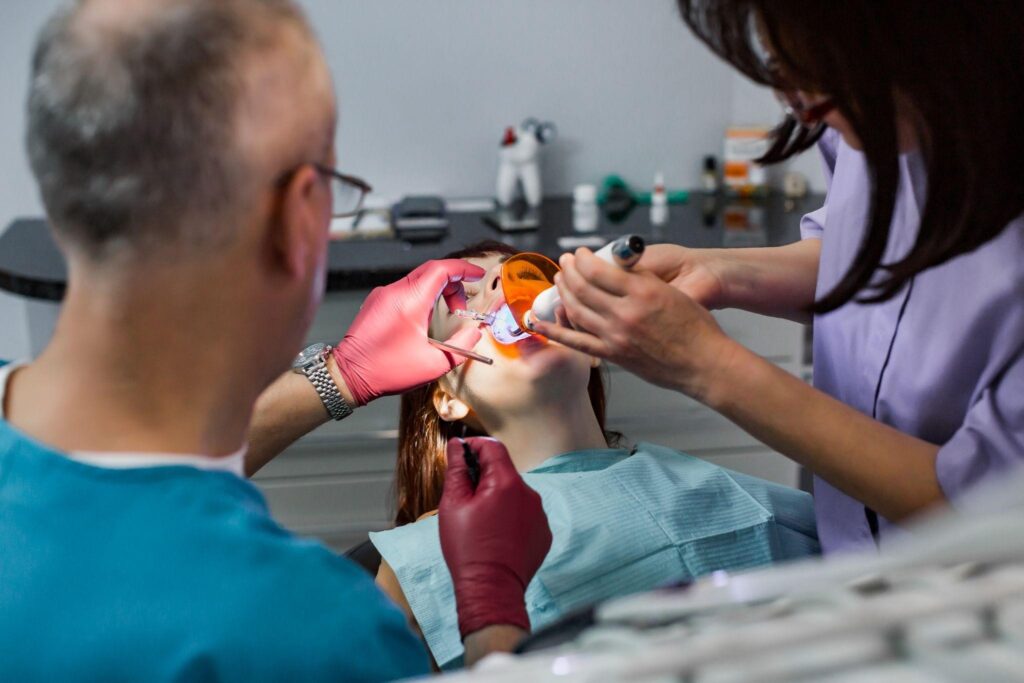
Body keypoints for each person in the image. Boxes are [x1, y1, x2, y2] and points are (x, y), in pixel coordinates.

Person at [0, 0, 549, 680]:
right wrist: (495, 618)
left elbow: (109, 500)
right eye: (335, 186)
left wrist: (344, 374)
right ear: (300, 217)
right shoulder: (316, 638)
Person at [533, 1, 1024, 554]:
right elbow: (858, 262)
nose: (799, 108)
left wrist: (706, 366)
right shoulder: (868, 113)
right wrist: (717, 270)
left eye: (820, 71)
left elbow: (981, 504)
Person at [366, 243, 819, 669]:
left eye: (518, 278)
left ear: (593, 348)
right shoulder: (422, 558)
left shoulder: (729, 495)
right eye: (464, 298)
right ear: (447, 399)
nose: (503, 291)